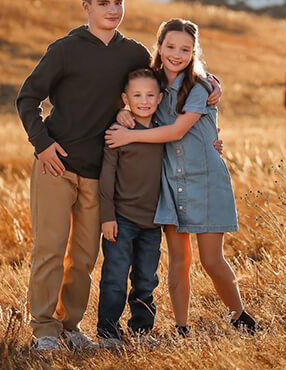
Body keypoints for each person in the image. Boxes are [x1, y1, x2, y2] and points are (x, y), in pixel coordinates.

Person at [16, 0, 221, 353]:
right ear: (86, 7)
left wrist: (213, 85)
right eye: (104, 3)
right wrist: (42, 144)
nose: (113, 10)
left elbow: (173, 74)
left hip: (100, 172)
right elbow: (26, 99)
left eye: (119, 2)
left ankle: (70, 326)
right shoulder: (65, 49)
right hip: (56, 165)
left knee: (84, 257)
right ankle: (44, 330)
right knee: (50, 248)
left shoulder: (133, 54)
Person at [106, 18, 258, 337]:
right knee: (179, 260)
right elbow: (137, 102)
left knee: (212, 260)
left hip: (206, 181)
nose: (177, 54)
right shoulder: (152, 85)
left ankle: (240, 317)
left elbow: (176, 130)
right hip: (171, 185)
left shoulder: (201, 87)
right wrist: (125, 113)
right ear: (158, 46)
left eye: (185, 49)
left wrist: (129, 136)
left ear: (194, 52)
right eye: (170, 46)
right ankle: (182, 328)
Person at [97, 68, 165, 349]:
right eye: (137, 95)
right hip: (122, 220)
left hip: (154, 222)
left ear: (160, 98)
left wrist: (215, 144)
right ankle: (108, 333)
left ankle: (141, 331)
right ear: (125, 98)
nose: (144, 100)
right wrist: (107, 216)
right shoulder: (118, 131)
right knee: (114, 277)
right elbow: (106, 177)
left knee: (146, 280)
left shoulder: (164, 130)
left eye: (150, 95)